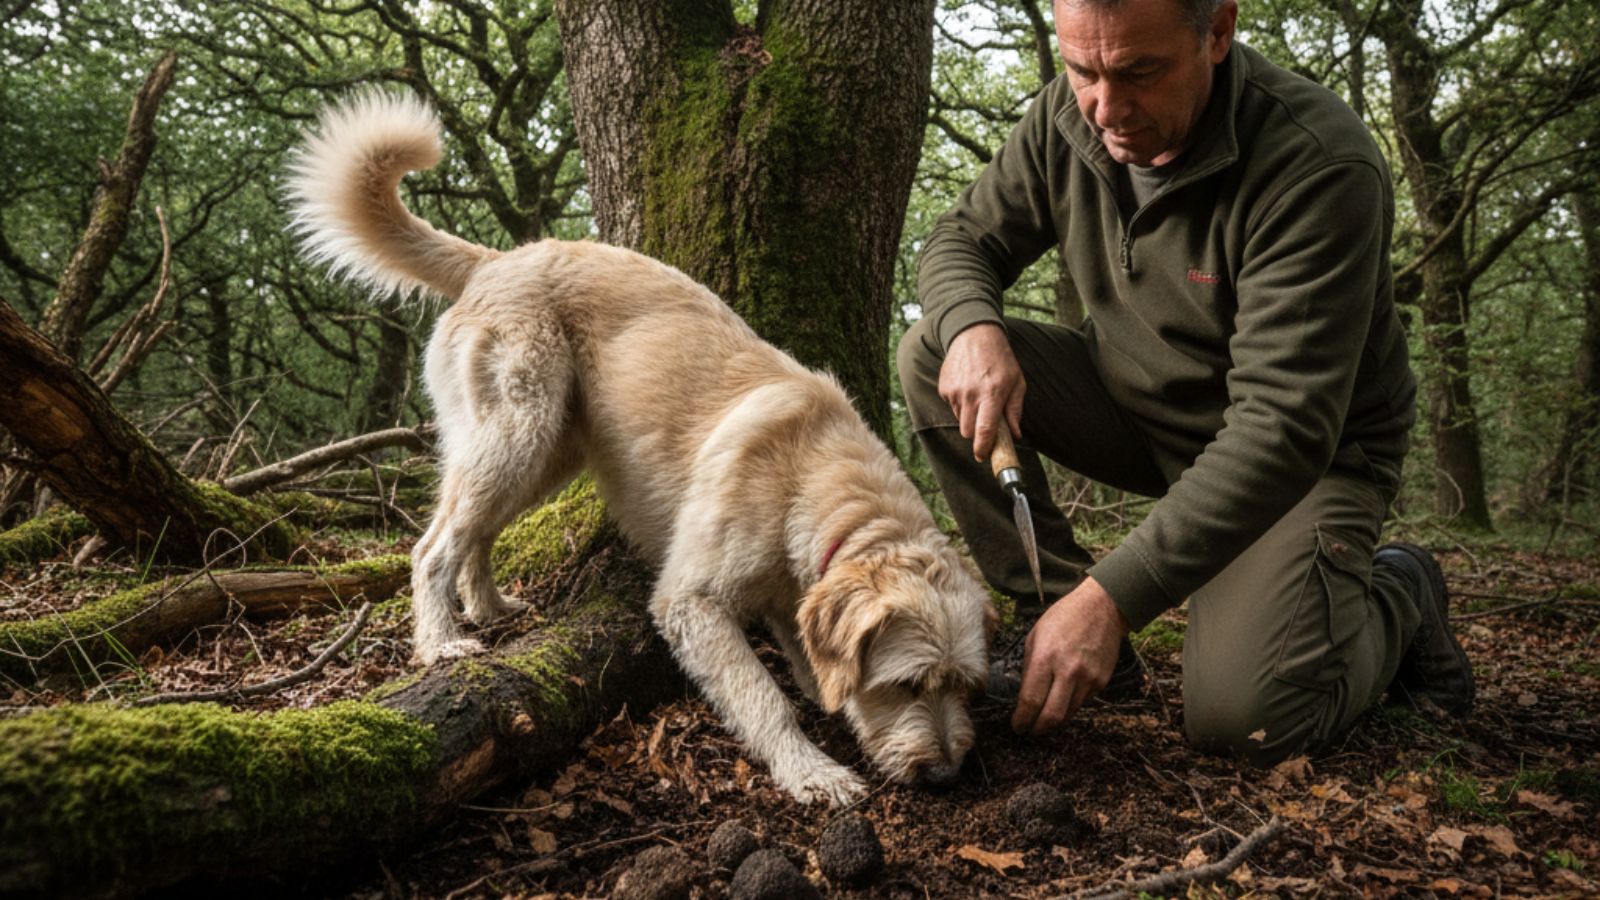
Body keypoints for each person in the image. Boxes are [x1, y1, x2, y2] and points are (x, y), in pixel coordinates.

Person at [897, 0, 1475, 765]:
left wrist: (1116, 597)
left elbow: (1280, 429)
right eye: (1083, 71)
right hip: (1137, 411)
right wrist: (973, 325)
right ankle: (1052, 611)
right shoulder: (1065, 122)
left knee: (1243, 720)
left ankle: (1402, 595)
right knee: (934, 353)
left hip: (1304, 462)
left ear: (1218, 31)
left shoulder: (1316, 163)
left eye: (1140, 71)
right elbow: (960, 238)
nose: (1107, 108)